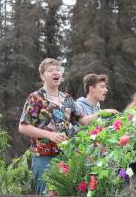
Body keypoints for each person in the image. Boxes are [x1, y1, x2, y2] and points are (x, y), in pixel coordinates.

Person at [18, 58, 100, 194]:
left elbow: (83, 120)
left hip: (66, 157)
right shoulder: (36, 98)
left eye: (58, 70)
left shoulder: (67, 98)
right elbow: (23, 127)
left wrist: (101, 114)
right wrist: (50, 135)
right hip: (44, 159)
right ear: (42, 76)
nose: (56, 73)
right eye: (50, 71)